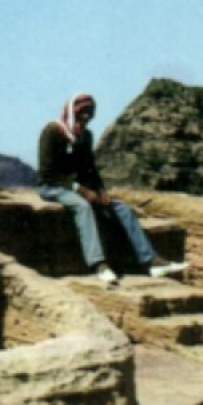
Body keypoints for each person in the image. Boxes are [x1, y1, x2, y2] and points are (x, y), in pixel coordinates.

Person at [37, 92, 187, 286]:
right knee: (83, 206)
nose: (87, 118)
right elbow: (48, 173)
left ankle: (151, 261)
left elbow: (89, 169)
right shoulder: (52, 132)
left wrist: (100, 190)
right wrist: (80, 189)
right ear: (73, 112)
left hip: (77, 187)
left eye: (90, 114)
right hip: (53, 187)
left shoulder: (85, 136)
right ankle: (99, 263)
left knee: (121, 208)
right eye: (83, 113)